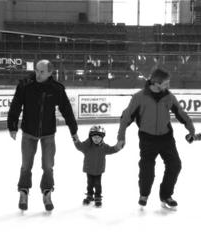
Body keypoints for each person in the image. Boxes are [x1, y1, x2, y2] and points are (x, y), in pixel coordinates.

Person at [116, 68, 195, 208]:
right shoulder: (139, 97)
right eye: (165, 83)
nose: (168, 86)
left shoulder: (168, 96)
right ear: (156, 83)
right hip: (147, 139)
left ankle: (166, 195)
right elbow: (126, 117)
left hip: (166, 138)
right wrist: (121, 137)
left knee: (175, 165)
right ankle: (144, 194)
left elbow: (180, 112)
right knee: (147, 169)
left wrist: (191, 129)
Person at [7, 59, 79, 212]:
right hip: (28, 132)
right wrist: (12, 126)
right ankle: (23, 192)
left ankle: (47, 193)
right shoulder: (25, 85)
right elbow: (15, 105)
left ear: (50, 73)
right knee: (26, 166)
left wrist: (73, 130)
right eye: (37, 70)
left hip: (48, 134)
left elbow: (66, 109)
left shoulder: (56, 89)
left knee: (48, 166)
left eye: (42, 72)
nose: (38, 74)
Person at [73, 125, 121, 207]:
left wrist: (117, 147)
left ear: (102, 138)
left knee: (98, 184)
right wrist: (76, 139)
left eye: (99, 137)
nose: (96, 139)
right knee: (90, 184)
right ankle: (89, 195)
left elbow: (112, 149)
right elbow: (79, 146)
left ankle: (98, 196)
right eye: (94, 137)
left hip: (98, 170)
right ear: (90, 137)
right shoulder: (87, 146)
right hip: (89, 169)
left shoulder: (104, 147)